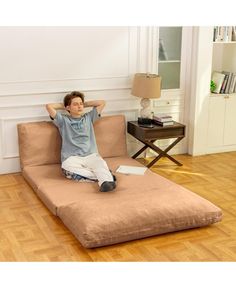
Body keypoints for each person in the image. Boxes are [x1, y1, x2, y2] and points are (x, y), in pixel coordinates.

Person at [46, 91, 116, 192]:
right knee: (67, 167)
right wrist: (65, 105)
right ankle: (106, 177)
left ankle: (105, 183)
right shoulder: (63, 121)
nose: (79, 106)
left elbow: (102, 103)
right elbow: (49, 106)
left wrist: (84, 103)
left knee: (100, 163)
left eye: (81, 104)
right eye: (75, 104)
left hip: (90, 155)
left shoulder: (88, 117)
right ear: (68, 108)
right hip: (72, 158)